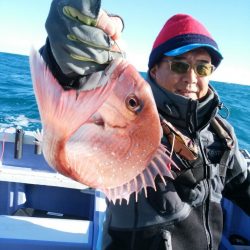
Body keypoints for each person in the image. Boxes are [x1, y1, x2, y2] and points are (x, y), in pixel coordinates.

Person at [39, 1, 250, 249]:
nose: (191, 78)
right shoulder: (132, 115)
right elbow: (79, 68)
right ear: (154, 69)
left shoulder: (221, 133)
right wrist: (84, 23)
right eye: (179, 65)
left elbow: (242, 185)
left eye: (202, 67)